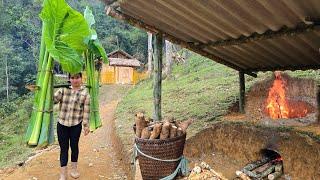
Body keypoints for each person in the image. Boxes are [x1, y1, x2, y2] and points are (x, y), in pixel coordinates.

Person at [54, 72, 90, 180]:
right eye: (72, 78)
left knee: (74, 147)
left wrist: (86, 125)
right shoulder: (63, 90)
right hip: (62, 124)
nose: (75, 80)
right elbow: (53, 100)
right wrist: (44, 91)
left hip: (76, 125)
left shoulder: (85, 93)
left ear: (81, 78)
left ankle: (74, 169)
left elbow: (86, 111)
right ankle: (63, 173)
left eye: (77, 77)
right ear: (69, 79)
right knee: (63, 148)